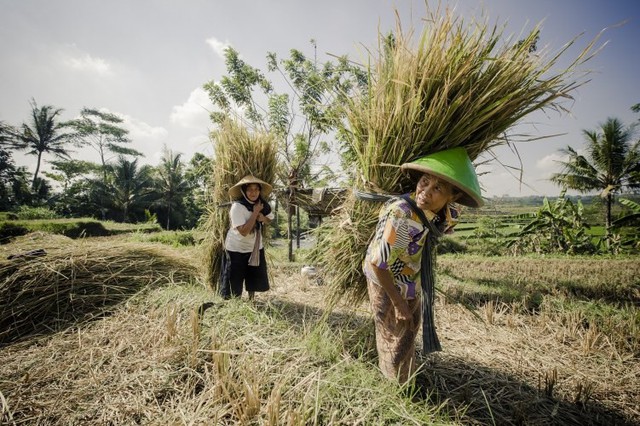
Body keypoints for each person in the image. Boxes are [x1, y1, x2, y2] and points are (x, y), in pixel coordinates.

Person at [362, 147, 483, 383]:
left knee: (409, 330)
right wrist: (398, 304)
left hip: (412, 278)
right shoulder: (401, 214)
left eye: (437, 188)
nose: (425, 192)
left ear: (453, 196)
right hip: (384, 278)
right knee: (392, 336)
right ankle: (396, 387)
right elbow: (378, 264)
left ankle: (406, 376)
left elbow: (442, 227)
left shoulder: (450, 212)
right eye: (424, 182)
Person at [221, 175, 274, 300]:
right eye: (250, 189)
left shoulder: (263, 205)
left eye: (256, 189)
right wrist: (255, 213)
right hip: (236, 248)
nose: (253, 192)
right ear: (244, 191)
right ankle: (234, 304)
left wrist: (263, 218)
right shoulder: (237, 207)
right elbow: (244, 231)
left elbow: (269, 219)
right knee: (234, 279)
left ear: (260, 191)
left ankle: (251, 300)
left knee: (253, 276)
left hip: (254, 248)